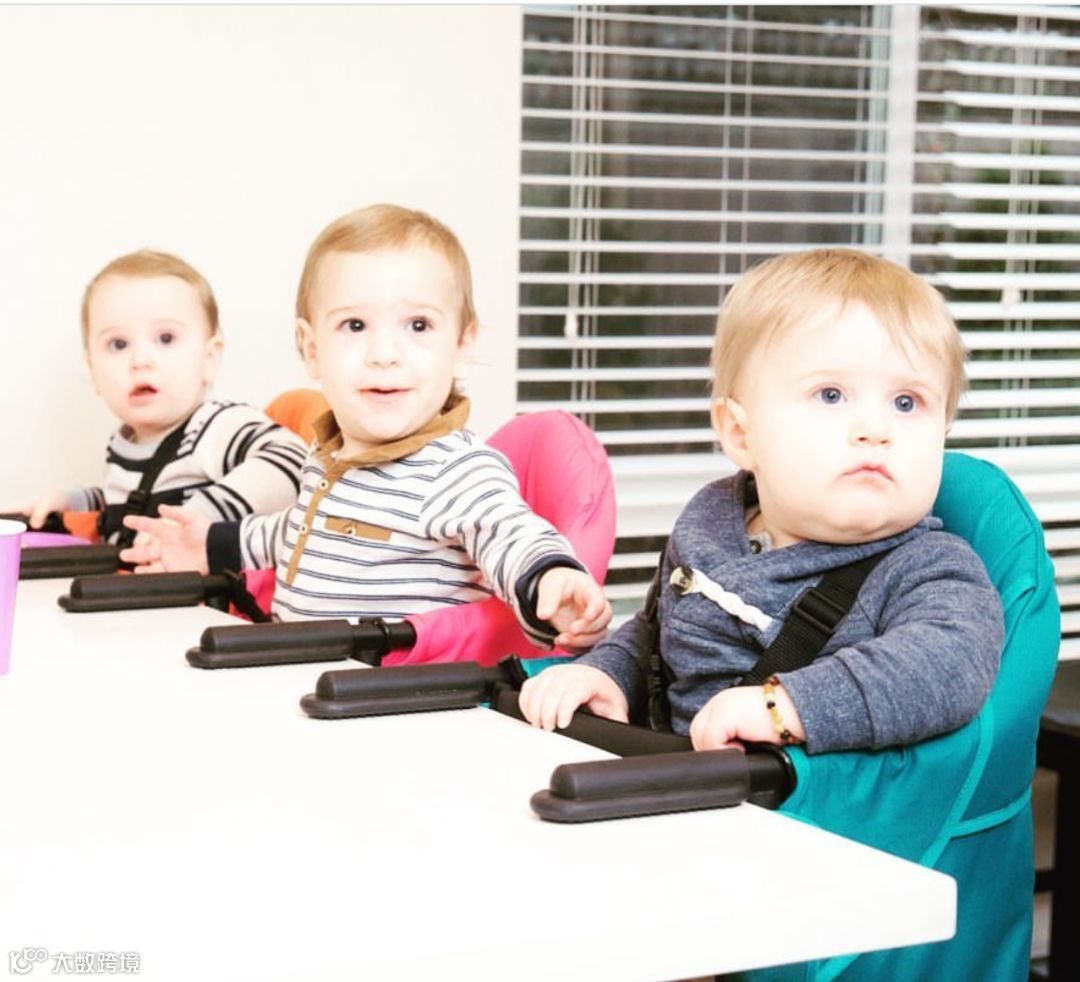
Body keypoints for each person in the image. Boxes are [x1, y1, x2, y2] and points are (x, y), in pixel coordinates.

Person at [519, 248, 1005, 753]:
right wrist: (607, 674)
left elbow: (950, 664)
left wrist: (787, 707)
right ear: (740, 434)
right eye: (831, 395)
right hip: (666, 774)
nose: (875, 429)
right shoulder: (710, 522)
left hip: (793, 799)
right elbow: (658, 635)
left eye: (907, 402)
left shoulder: (929, 568)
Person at [120, 205, 612, 653]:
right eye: (354, 326)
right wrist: (210, 544)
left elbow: (509, 532)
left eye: (418, 326)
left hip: (394, 699)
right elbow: (298, 533)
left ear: (462, 345)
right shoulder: (328, 456)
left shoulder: (454, 469)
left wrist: (550, 578)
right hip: (304, 683)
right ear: (311, 349)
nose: (384, 354)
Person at [12, 250, 307, 541]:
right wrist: (73, 501)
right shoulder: (123, 445)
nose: (140, 360)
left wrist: (204, 512)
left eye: (165, 338)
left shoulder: (214, 426)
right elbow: (127, 503)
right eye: (118, 344)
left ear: (209, 359)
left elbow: (296, 462)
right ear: (93, 372)